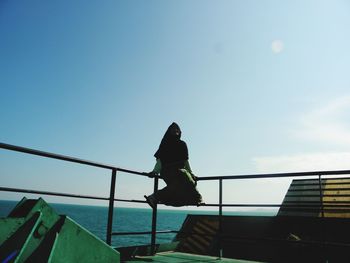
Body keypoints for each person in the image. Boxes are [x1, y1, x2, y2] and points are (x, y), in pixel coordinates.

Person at [144, 122, 203, 209]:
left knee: (183, 185)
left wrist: (191, 173)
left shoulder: (182, 144)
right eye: (173, 130)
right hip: (167, 171)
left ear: (180, 132)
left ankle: (154, 197)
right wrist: (154, 171)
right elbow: (159, 161)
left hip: (180, 171)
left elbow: (185, 161)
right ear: (169, 131)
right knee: (178, 184)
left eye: (177, 130)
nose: (176, 131)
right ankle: (154, 197)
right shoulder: (165, 143)